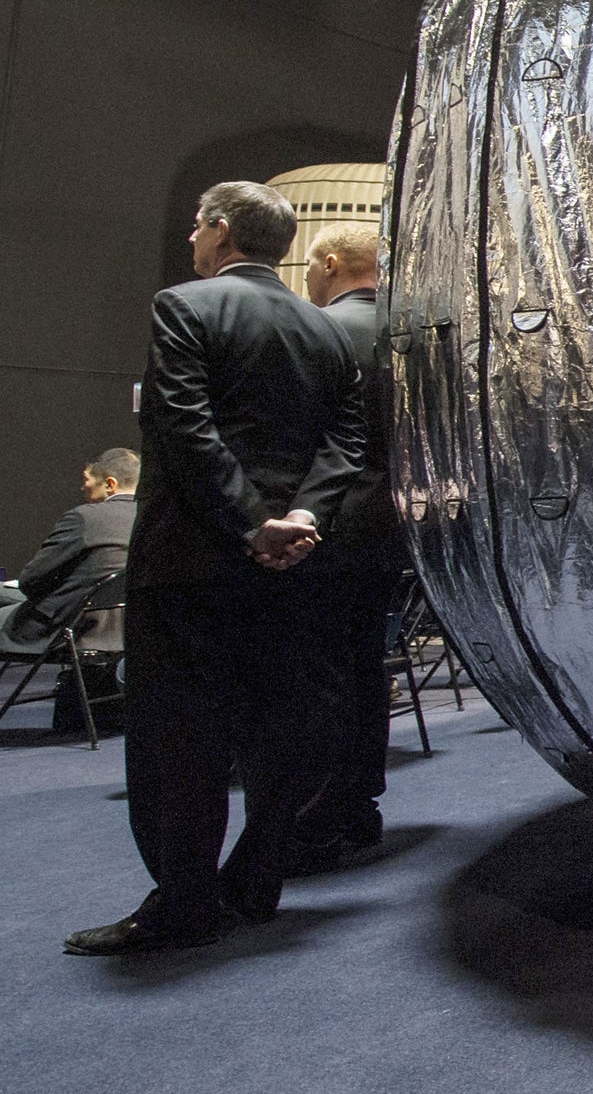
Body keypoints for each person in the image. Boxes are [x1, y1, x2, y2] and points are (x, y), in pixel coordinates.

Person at [64, 181, 364, 957]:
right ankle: (257, 880)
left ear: (220, 231)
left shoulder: (185, 306)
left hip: (192, 558)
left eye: (200, 227)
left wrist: (246, 522)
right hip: (293, 564)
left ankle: (186, 903)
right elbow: (346, 441)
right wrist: (301, 517)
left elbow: (183, 424)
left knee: (177, 741)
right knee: (282, 726)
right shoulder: (326, 330)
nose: (194, 240)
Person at [290, 221, 407, 869]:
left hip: (327, 524)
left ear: (330, 263)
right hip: (393, 529)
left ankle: (316, 821)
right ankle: (362, 804)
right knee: (367, 667)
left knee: (319, 677)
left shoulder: (319, 331)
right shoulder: (412, 335)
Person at [0, 449, 139, 652]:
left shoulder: (84, 518)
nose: (83, 487)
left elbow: (30, 581)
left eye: (87, 480)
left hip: (67, 626)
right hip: (124, 631)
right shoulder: (152, 519)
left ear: (110, 484)